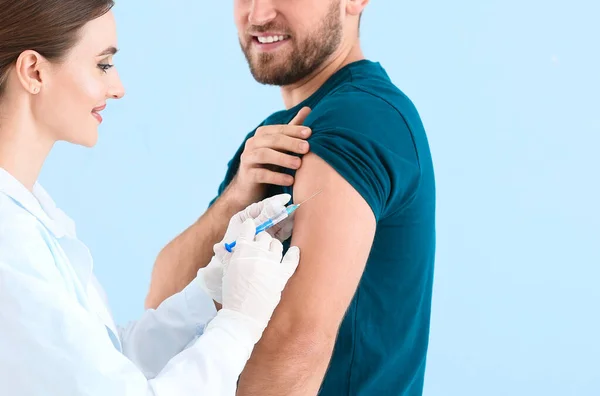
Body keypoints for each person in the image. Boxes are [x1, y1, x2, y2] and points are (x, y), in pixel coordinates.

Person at [0, 1, 304, 395]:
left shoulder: (32, 213)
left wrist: (213, 288)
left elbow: (110, 359)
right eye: (103, 64)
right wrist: (238, 324)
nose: (118, 88)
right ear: (34, 71)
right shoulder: (10, 242)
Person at [147, 0, 436, 395]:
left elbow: (295, 346)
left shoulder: (358, 119)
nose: (259, 13)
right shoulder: (274, 136)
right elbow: (162, 320)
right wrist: (234, 199)